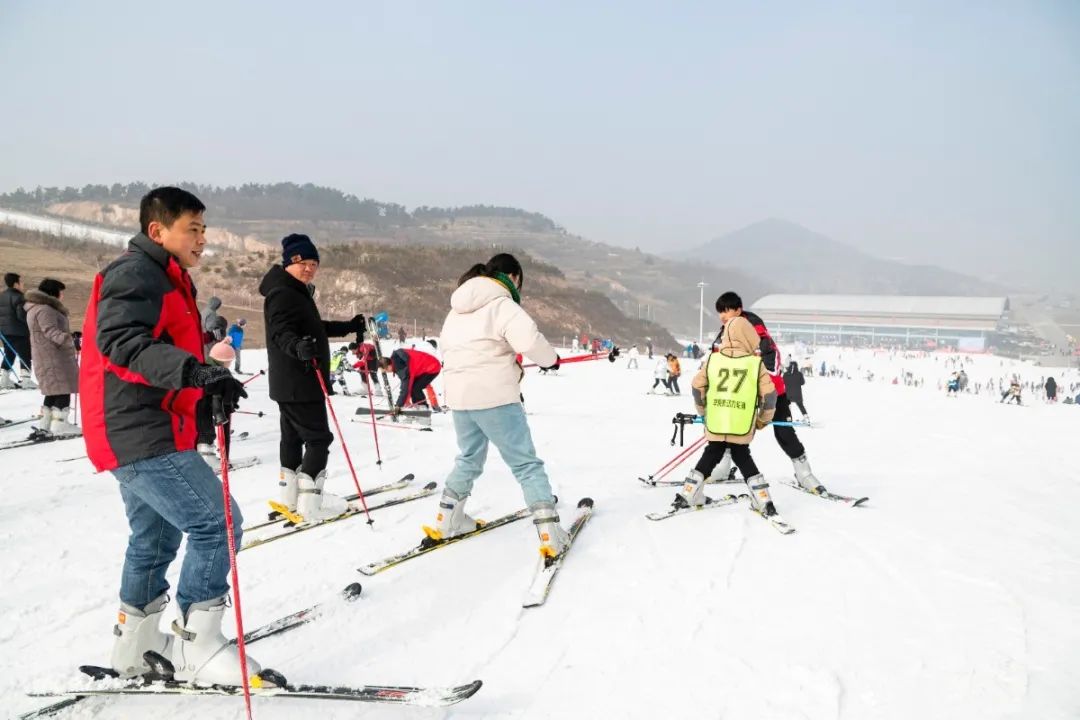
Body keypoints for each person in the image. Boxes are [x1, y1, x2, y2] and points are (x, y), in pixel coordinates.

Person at [79, 187, 254, 685]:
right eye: (192, 229)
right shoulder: (137, 273)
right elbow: (121, 342)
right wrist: (193, 373)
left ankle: (134, 648)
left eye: (204, 229)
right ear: (158, 231)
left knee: (154, 538)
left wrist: (205, 375)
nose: (202, 239)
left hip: (145, 426)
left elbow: (163, 345)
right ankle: (199, 645)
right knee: (218, 522)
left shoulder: (169, 279)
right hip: (138, 430)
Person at [422, 253, 570, 558]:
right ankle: (550, 533)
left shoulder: (456, 310)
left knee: (468, 458)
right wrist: (551, 360)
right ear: (513, 277)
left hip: (461, 399)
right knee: (525, 464)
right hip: (496, 398)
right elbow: (530, 342)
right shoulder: (502, 304)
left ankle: (447, 519)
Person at [260, 233, 366, 522]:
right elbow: (281, 331)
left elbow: (315, 328)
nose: (309, 268)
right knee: (319, 438)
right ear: (288, 264)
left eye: (313, 263)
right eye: (302, 263)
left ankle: (291, 498)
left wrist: (347, 326)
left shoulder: (294, 291)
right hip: (302, 380)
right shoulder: (284, 293)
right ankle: (311, 504)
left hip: (290, 382)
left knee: (292, 438)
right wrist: (297, 347)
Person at [709, 292, 828, 495]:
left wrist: (763, 393)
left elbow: (772, 361)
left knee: (784, 431)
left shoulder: (755, 329)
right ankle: (723, 467)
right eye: (720, 311)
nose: (722, 315)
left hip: (771, 391)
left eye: (726, 310)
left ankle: (804, 473)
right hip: (740, 394)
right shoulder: (724, 332)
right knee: (730, 429)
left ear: (738, 310)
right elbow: (716, 359)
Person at [674, 314, 779, 516]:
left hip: (716, 420)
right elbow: (770, 395)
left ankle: (688, 494)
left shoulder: (713, 359)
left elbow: (697, 387)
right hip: (742, 422)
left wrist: (703, 411)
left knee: (712, 451)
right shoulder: (755, 364)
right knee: (742, 455)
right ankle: (763, 500)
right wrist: (762, 420)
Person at [24, 278, 81, 438]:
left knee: (53, 391)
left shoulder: (36, 308)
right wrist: (70, 339)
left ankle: (46, 423)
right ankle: (61, 425)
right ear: (53, 292)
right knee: (63, 388)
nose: (62, 295)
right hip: (53, 356)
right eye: (61, 292)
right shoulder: (45, 309)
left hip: (46, 355)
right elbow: (50, 332)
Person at [380, 347, 442, 413]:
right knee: (413, 387)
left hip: (432, 367)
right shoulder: (397, 360)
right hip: (425, 366)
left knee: (416, 388)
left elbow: (405, 389)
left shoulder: (402, 368)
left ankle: (423, 408)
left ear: (389, 366)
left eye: (385, 370)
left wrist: (398, 405)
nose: (387, 372)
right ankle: (417, 406)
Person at [0, 272, 32, 387]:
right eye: (21, 282)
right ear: (15, 284)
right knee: (25, 354)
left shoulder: (1, 296)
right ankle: (26, 380)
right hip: (19, 331)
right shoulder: (20, 297)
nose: (22, 284)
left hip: (4, 332)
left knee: (9, 353)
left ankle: (3, 379)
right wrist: (30, 324)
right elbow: (21, 316)